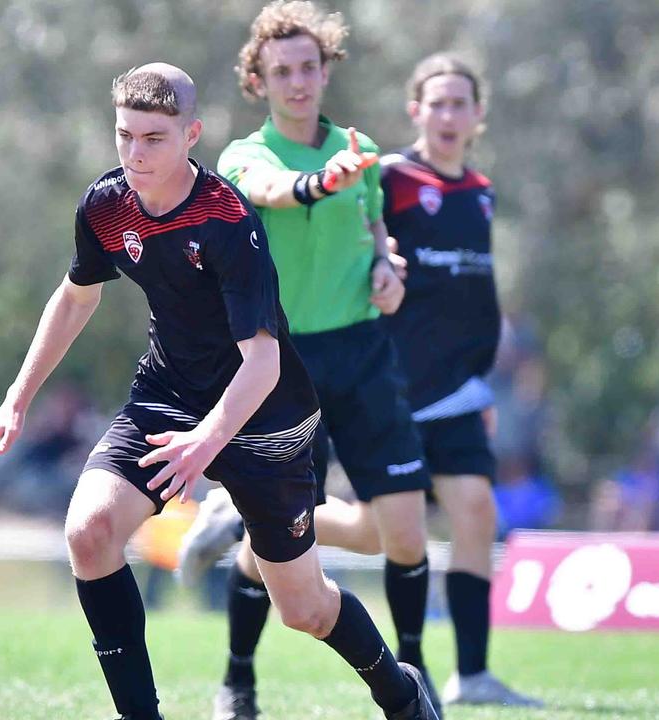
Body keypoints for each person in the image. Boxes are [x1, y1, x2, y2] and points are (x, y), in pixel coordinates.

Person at [0, 63, 438, 720]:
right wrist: (17, 399)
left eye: (154, 137)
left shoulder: (227, 221)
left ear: (192, 136)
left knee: (305, 608)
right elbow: (75, 299)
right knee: (90, 531)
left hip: (266, 418)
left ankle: (401, 690)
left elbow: (262, 363)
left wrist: (205, 443)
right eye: (125, 134)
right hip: (168, 395)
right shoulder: (106, 205)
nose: (134, 152)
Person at [179, 4, 436, 718]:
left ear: (327, 71)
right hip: (282, 365)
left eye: (307, 68)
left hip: (363, 354)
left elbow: (378, 236)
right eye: (280, 71)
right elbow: (270, 194)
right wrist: (324, 181)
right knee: (272, 547)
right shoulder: (243, 158)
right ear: (259, 81)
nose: (297, 82)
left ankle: (418, 676)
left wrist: (389, 270)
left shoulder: (359, 150)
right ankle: (238, 680)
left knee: (407, 531)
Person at [374, 53, 542, 707]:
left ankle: (471, 674)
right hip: (393, 387)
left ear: (478, 116)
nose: (448, 115)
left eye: (459, 104)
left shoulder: (480, 189)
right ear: (415, 110)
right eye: (435, 103)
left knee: (476, 513)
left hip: (461, 391)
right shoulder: (390, 178)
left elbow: (475, 290)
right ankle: (255, 525)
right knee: (382, 528)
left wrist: (485, 379)